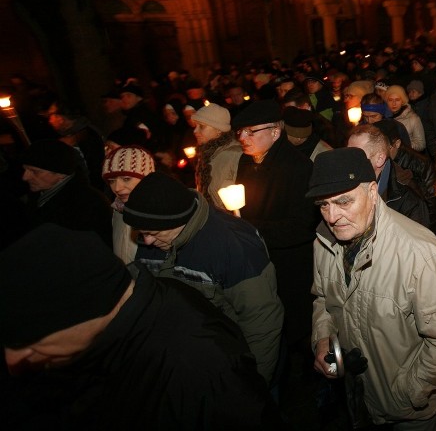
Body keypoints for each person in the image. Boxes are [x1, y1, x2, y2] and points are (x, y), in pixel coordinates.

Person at [0, 224, 281, 429]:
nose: (15, 360)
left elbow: (260, 316)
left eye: (29, 344)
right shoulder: (153, 303)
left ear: (86, 311)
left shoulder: (202, 369)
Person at [308, 148, 436, 430]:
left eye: (343, 201)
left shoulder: (420, 254)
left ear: (373, 192)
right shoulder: (323, 242)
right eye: (323, 205)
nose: (332, 216)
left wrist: (408, 390)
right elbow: (323, 298)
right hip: (356, 394)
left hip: (408, 412)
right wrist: (323, 338)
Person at [124, 171, 285, 384]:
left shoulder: (234, 245)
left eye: (153, 233)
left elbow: (261, 321)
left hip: (229, 364)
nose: (147, 241)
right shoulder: (154, 236)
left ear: (177, 221)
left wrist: (253, 385)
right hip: (182, 364)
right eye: (142, 232)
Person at [232, 100, 319, 352]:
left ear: (275, 131)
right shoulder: (245, 162)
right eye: (240, 132)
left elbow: (302, 226)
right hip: (256, 260)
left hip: (288, 265)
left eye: (251, 131)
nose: (243, 138)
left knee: (294, 332)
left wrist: (251, 229)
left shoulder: (299, 167)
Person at [20, 139, 112, 247]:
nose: (25, 177)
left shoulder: (88, 205)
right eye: (25, 169)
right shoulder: (37, 194)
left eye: (35, 172)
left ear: (61, 174)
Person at [347, 124, 431, 228]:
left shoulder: (409, 199)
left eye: (356, 156)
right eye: (347, 154)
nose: (348, 161)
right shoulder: (344, 183)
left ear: (380, 159)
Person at [101, 144, 156, 263]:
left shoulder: (160, 212)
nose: (117, 188)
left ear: (146, 178)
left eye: (126, 179)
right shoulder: (118, 210)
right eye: (111, 181)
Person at [43, 99, 106, 191]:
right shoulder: (74, 135)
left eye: (51, 116)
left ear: (61, 118)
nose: (49, 121)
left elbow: (93, 169)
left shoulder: (85, 136)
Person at [191, 102, 243, 210]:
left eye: (201, 126)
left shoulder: (234, 154)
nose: (195, 131)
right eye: (195, 126)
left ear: (219, 130)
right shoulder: (206, 154)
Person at [386, 84, 426, 152]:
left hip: (406, 159)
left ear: (403, 101)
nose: (394, 103)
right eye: (390, 100)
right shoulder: (383, 118)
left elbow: (421, 144)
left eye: (397, 100)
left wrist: (403, 145)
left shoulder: (413, 118)